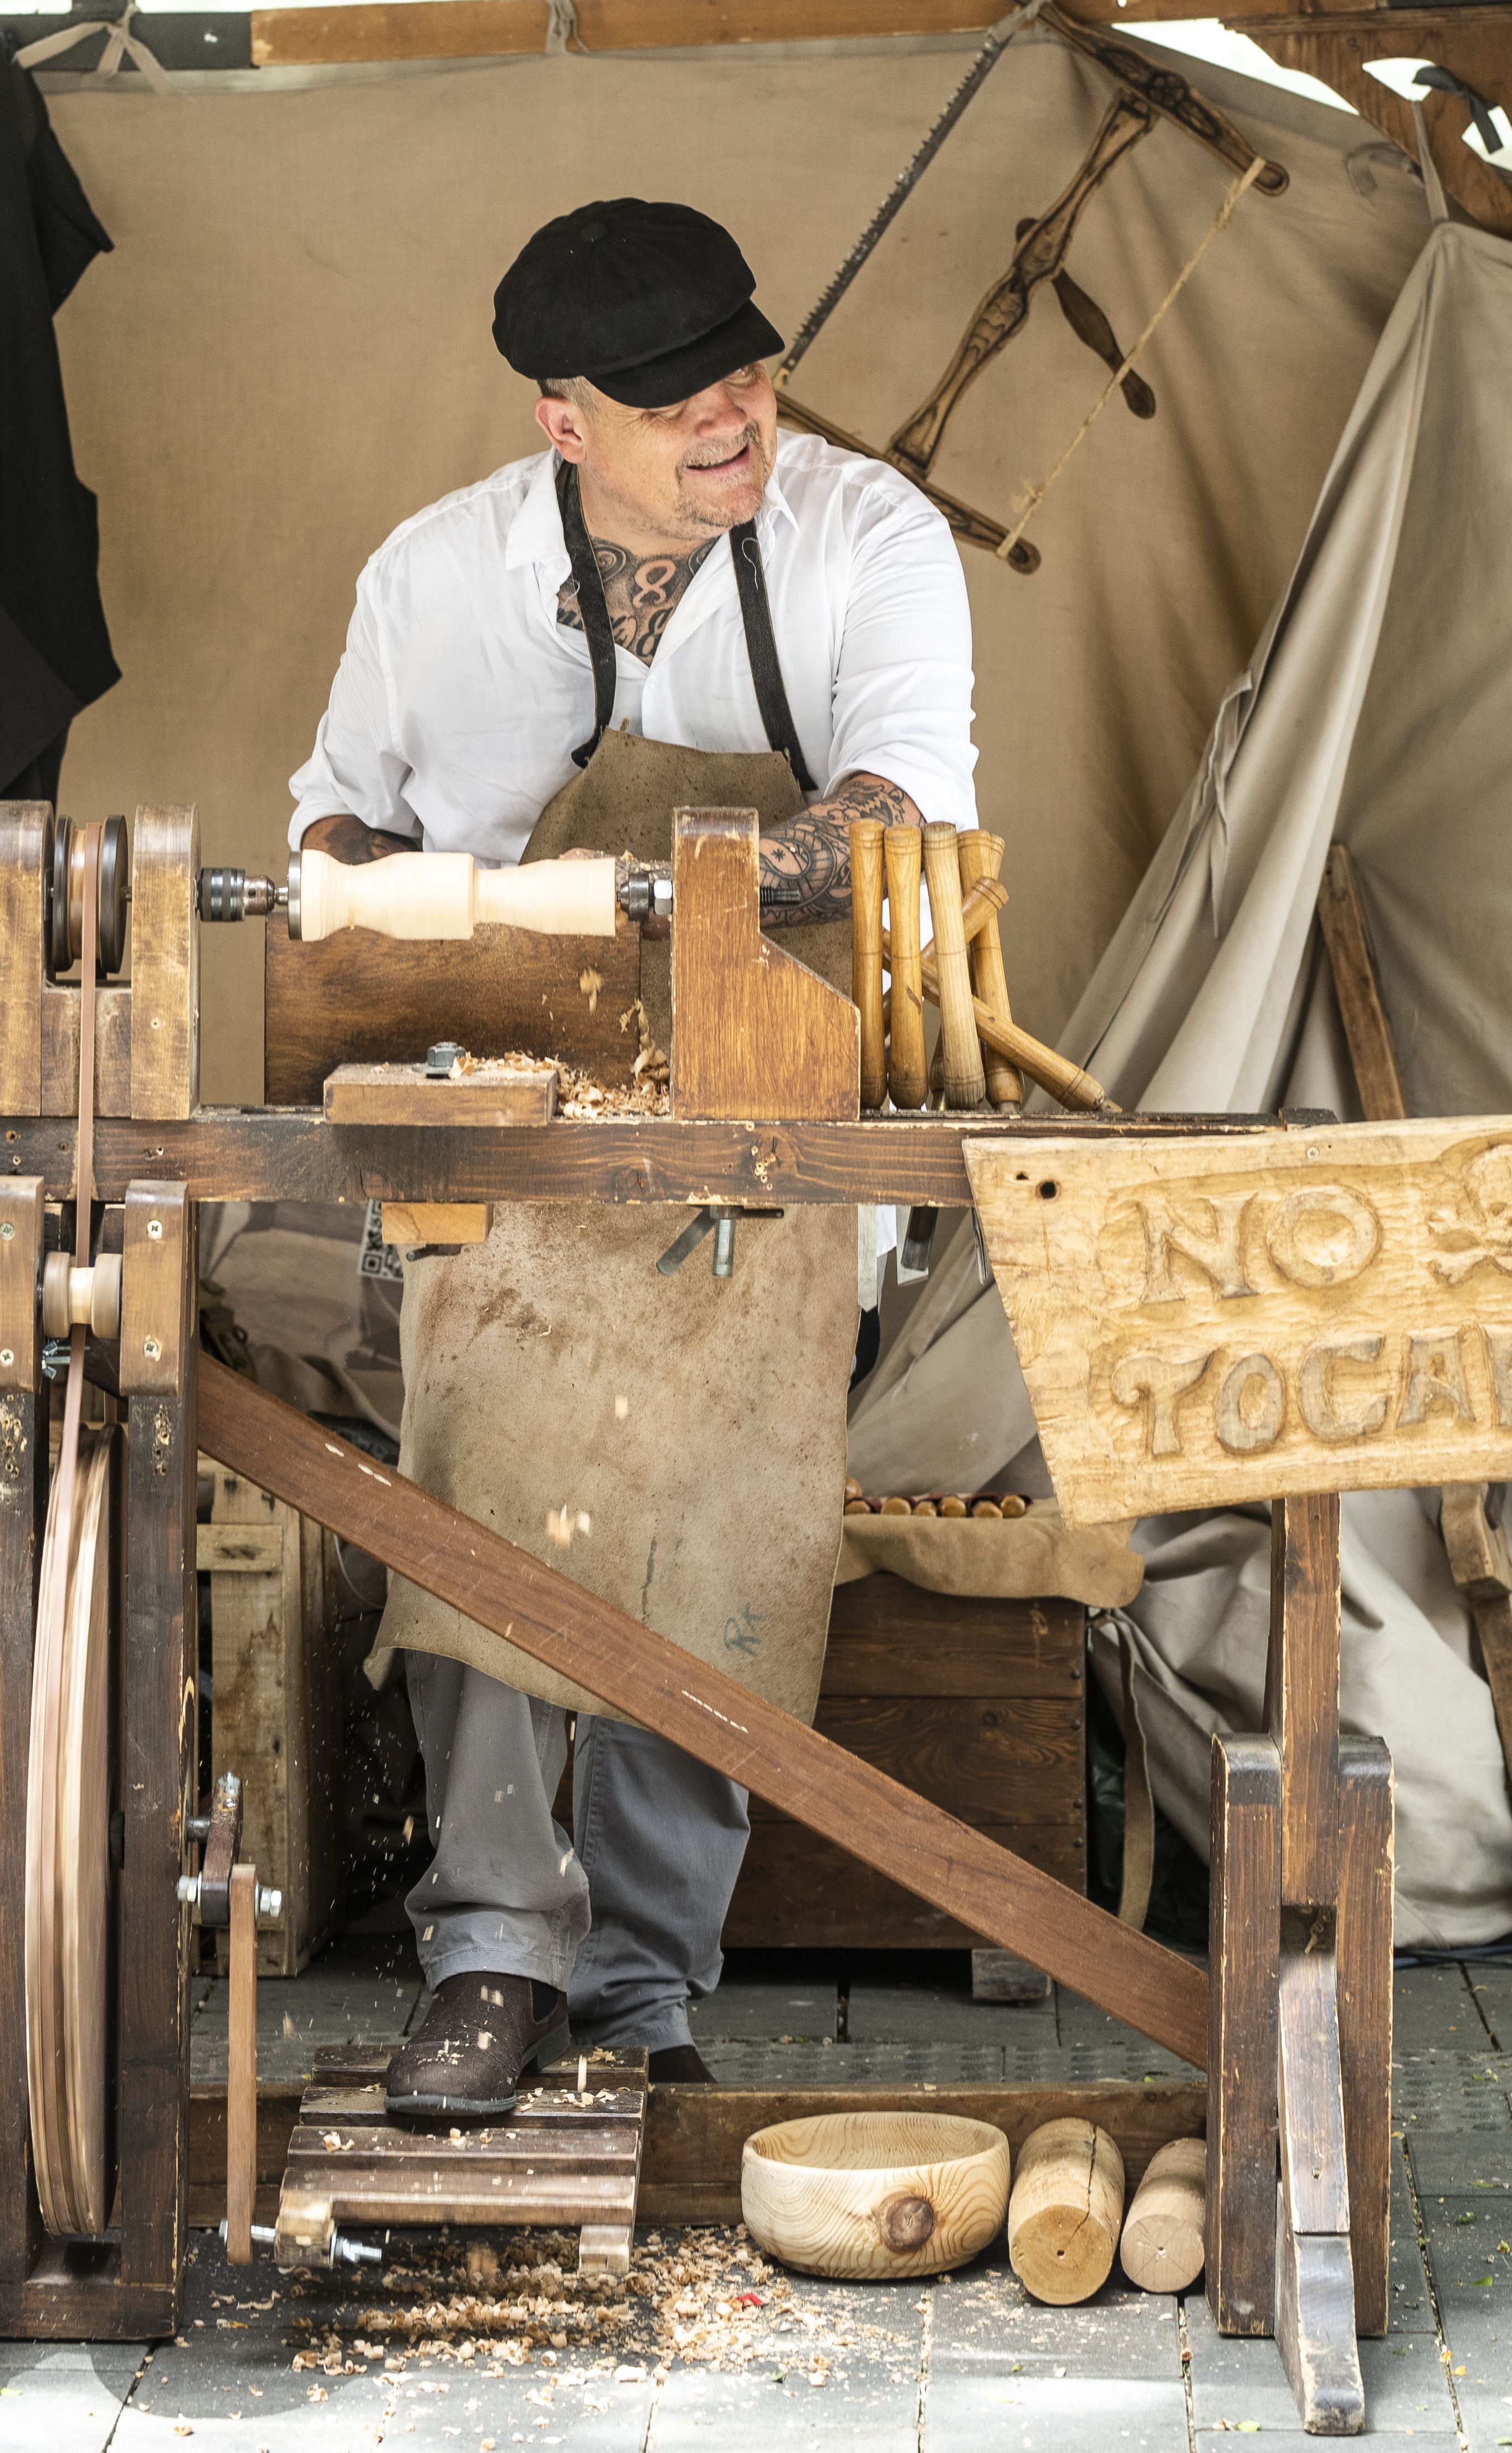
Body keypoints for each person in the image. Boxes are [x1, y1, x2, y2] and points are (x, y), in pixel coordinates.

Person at [289, 197, 977, 2117]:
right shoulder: (432, 583)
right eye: (677, 395)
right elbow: (333, 826)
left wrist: (652, 897)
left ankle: (646, 1987)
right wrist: (397, 902)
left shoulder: (870, 538)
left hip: (768, 1126)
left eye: (747, 367)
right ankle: (495, 1952)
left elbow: (901, 810)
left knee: (724, 1528)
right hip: (508, 1129)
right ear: (561, 418)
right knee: (483, 1502)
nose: (733, 411)